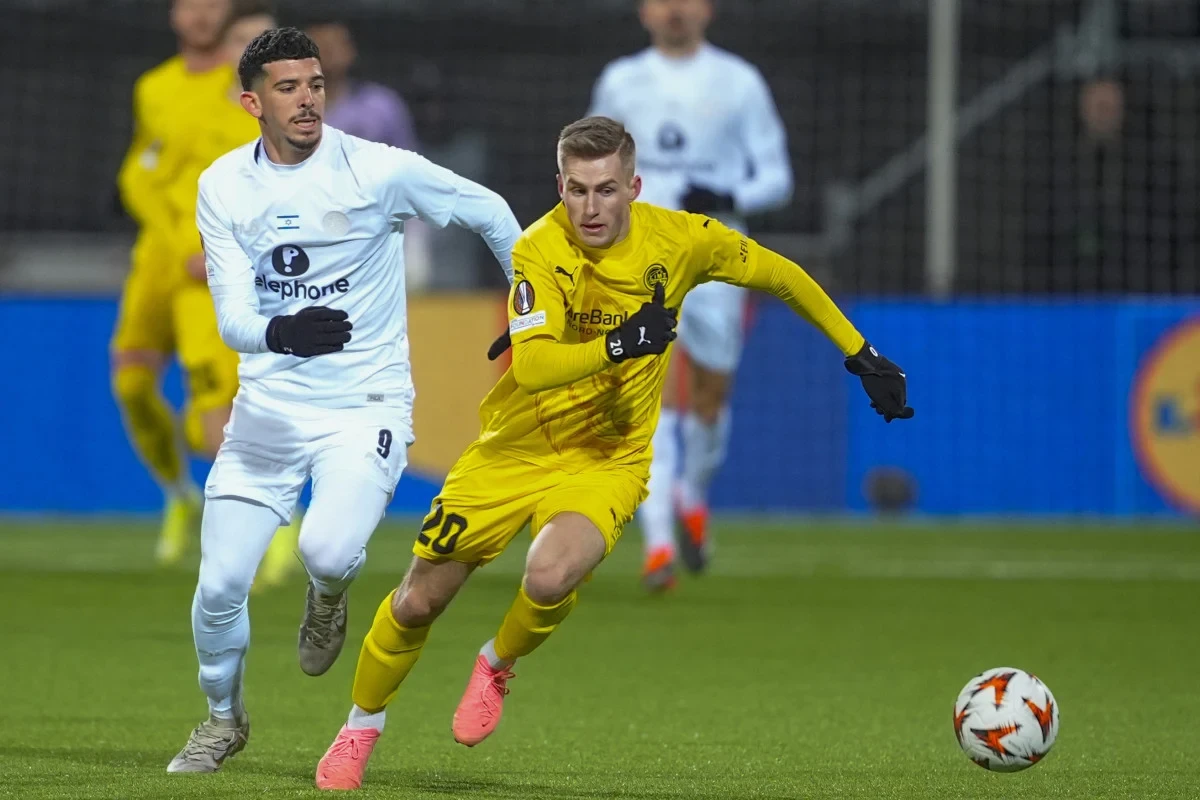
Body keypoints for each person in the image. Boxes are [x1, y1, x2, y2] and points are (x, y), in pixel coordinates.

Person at [312, 116, 912, 791]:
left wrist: (860, 354)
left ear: (634, 185)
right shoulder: (539, 248)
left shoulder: (682, 240)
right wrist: (623, 342)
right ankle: (360, 726)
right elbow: (534, 367)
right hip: (516, 446)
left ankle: (497, 664)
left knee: (549, 576)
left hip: (608, 455)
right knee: (420, 601)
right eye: (576, 191)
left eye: (605, 190)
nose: (591, 208)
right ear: (559, 187)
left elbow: (782, 275)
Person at [165, 27, 522, 773]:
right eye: (288, 87)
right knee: (219, 587)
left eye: (316, 84)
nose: (307, 100)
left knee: (329, 549)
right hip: (267, 409)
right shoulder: (223, 185)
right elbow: (232, 317)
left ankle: (329, 595)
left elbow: (487, 208)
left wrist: (531, 311)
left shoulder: (375, 169)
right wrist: (281, 330)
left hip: (366, 403)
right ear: (250, 102)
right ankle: (223, 719)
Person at [587, 0, 796, 590]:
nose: (674, 10)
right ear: (643, 12)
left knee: (710, 395)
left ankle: (692, 496)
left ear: (708, 10)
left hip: (715, 251)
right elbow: (587, 164)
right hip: (639, 252)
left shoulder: (739, 81)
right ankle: (657, 545)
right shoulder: (621, 81)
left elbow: (778, 176)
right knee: (645, 388)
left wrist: (725, 190)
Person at [162, 0, 301, 588]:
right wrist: (181, 248)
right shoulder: (187, 108)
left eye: (263, 42)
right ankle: (250, 523)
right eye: (243, 41)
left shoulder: (294, 118)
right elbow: (165, 186)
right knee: (213, 419)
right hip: (199, 286)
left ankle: (281, 522)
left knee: (266, 405)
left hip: (269, 283)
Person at [114, 0, 232, 565]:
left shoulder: (242, 92)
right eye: (193, 4)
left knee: (211, 404)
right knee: (132, 386)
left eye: (215, 4)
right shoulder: (153, 87)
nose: (203, 14)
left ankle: (254, 530)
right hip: (158, 259)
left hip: (207, 265)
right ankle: (178, 492)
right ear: (174, 15)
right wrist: (166, 230)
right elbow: (139, 170)